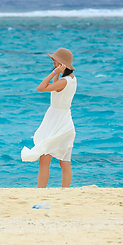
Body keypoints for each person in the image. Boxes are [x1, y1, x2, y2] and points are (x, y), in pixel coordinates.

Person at [20, 47, 77, 188]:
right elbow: (57, 89)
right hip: (65, 121)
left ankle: (40, 191)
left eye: (55, 61)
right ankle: (66, 191)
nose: (53, 63)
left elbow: (40, 88)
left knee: (44, 161)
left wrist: (53, 73)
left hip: (56, 121)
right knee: (65, 161)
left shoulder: (63, 82)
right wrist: (58, 74)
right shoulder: (72, 79)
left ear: (61, 63)